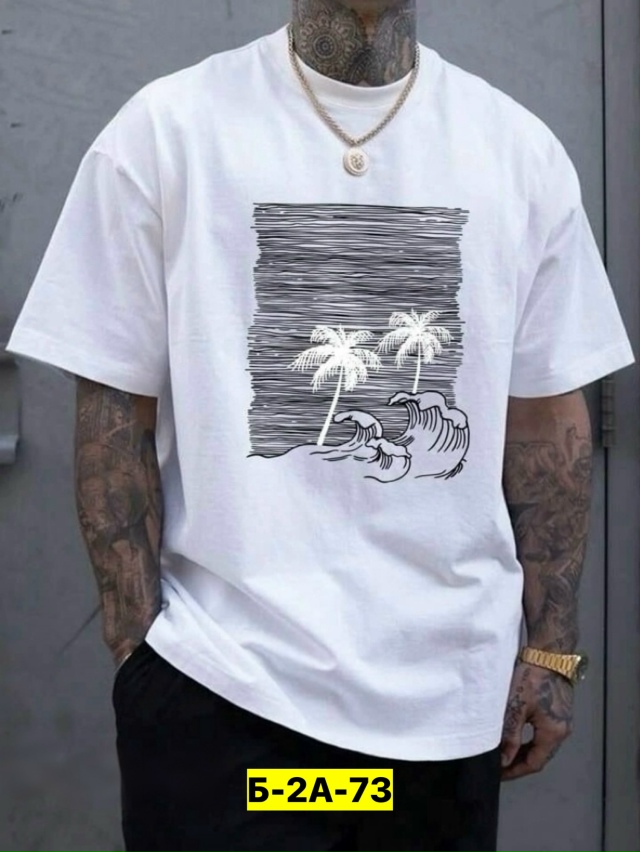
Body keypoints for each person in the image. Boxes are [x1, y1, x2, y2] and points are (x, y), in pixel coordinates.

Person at [7, 1, 634, 850]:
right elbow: (114, 406)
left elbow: (546, 419)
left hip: (445, 708)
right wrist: (140, 657)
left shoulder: (519, 151)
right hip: (224, 695)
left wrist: (551, 651)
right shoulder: (166, 130)